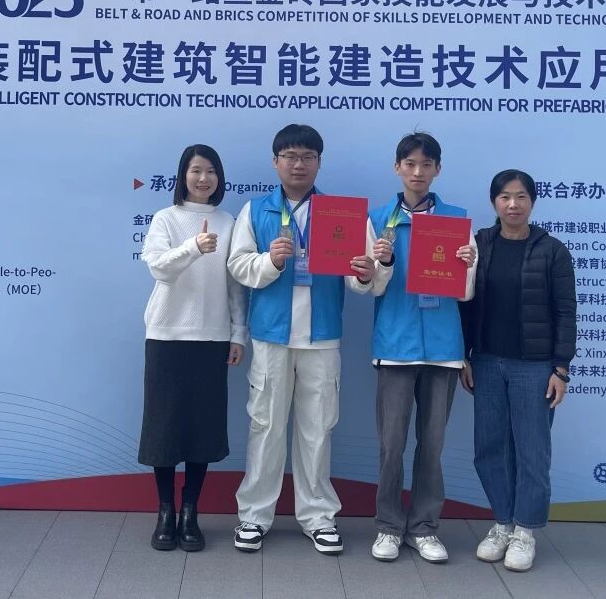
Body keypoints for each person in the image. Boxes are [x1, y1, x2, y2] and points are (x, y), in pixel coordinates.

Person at [227, 124, 372, 555]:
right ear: (275, 162)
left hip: (322, 336)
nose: (298, 164)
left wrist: (365, 272)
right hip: (271, 336)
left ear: (319, 163)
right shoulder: (256, 210)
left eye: (307, 156)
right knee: (266, 427)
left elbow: (359, 279)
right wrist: (269, 262)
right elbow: (237, 266)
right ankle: (254, 516)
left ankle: (318, 517)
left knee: (317, 430)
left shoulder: (341, 214)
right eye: (290, 156)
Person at [354, 132, 477, 564]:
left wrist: (467, 266)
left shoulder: (457, 222)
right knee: (391, 444)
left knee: (432, 444)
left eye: (426, 164)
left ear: (438, 169)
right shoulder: (377, 220)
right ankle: (389, 526)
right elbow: (365, 286)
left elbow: (466, 293)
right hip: (395, 347)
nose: (418, 172)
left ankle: (424, 528)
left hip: (444, 348)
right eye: (410, 164)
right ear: (397, 168)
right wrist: (381, 263)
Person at [459, 169, 576, 572]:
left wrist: (561, 368)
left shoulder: (553, 251)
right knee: (489, 448)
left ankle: (526, 530)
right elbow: (464, 303)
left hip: (535, 367)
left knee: (532, 451)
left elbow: (565, 311)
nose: (513, 204)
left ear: (532, 202)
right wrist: (465, 356)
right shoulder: (478, 245)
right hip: (487, 362)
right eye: (505, 197)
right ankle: (503, 523)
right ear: (494, 202)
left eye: (521, 197)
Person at [139, 144, 248, 552]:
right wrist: (193, 247)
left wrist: (238, 334)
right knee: (164, 428)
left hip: (212, 338)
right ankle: (165, 511)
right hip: (166, 336)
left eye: (211, 171)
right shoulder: (165, 218)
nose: (204, 178)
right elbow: (159, 268)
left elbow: (235, 285)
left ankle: (190, 512)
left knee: (203, 428)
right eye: (196, 170)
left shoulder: (229, 221)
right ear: (182, 175)